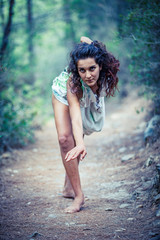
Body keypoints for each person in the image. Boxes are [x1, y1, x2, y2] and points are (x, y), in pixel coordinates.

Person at [51, 36, 120, 213]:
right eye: (82, 70)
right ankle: (78, 196)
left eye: (92, 69)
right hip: (62, 94)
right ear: (77, 70)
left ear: (100, 65)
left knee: (77, 136)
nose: (88, 75)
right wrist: (80, 144)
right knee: (65, 139)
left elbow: (86, 40)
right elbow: (75, 115)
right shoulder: (73, 82)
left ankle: (68, 186)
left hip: (90, 93)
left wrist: (89, 43)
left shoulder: (106, 68)